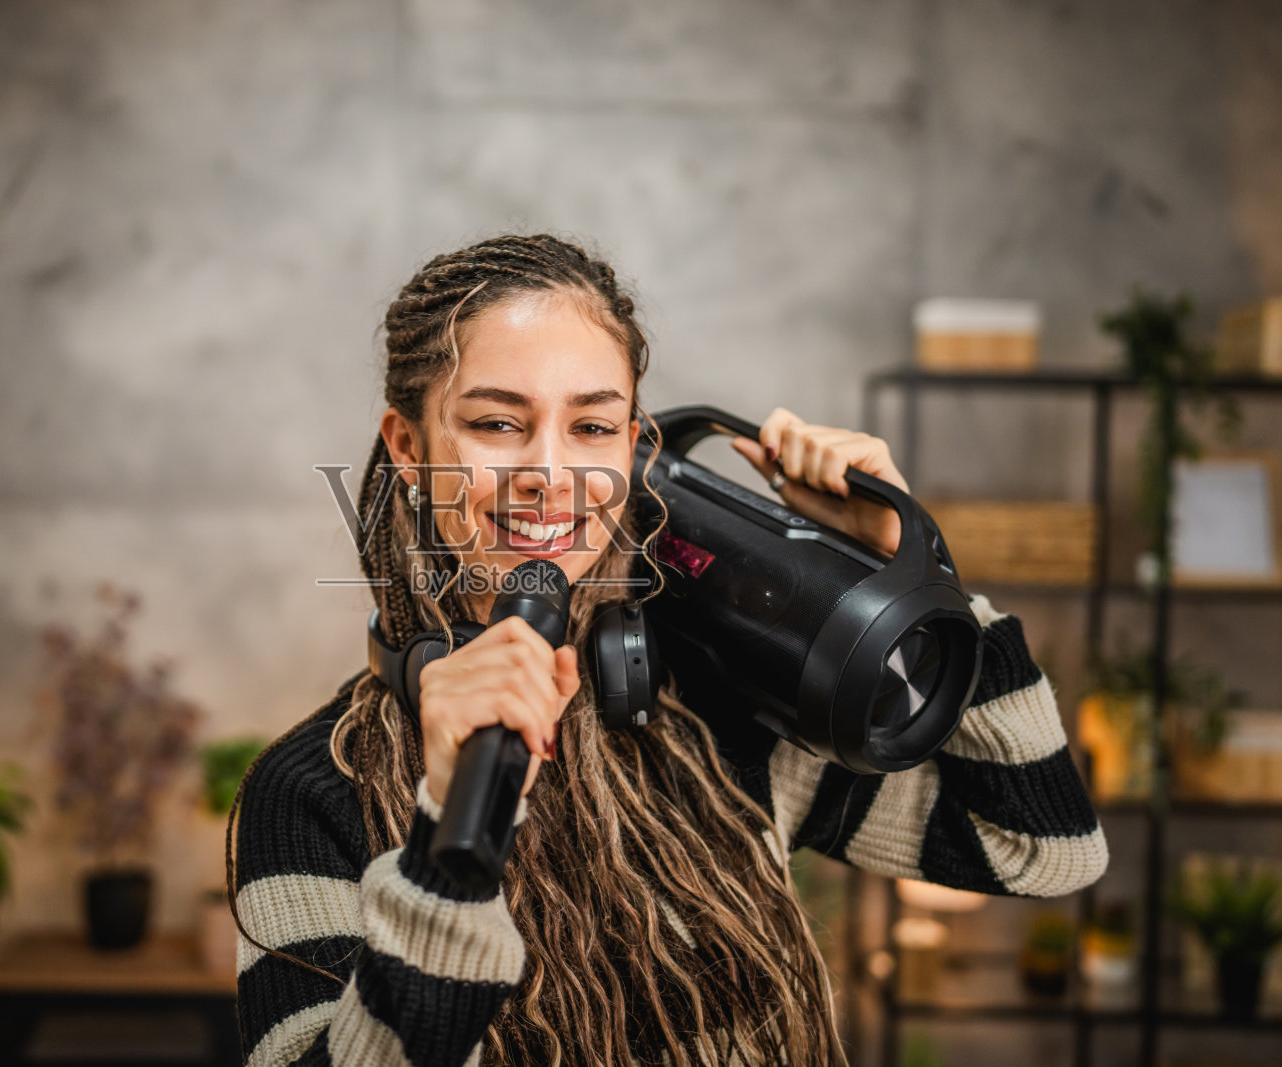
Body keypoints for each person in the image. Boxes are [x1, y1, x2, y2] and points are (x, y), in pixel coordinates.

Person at [228, 234, 1107, 1067]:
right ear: (409, 449)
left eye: (592, 427)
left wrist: (910, 575)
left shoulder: (706, 708)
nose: (551, 476)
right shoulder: (309, 796)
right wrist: (445, 845)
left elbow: (1041, 846)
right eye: (496, 423)